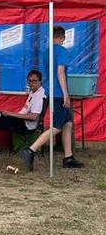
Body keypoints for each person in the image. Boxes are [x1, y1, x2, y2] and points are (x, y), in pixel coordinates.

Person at [20, 27, 84, 170]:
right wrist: (66, 94)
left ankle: (68, 158)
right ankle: (30, 150)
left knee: (68, 124)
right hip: (58, 93)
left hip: (51, 91)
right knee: (56, 127)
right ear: (63, 38)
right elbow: (60, 72)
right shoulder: (62, 51)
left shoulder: (46, 52)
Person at [0, 70, 45, 158]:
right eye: (29, 81)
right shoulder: (33, 92)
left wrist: (12, 114)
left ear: (40, 81)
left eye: (34, 81)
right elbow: (25, 110)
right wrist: (12, 114)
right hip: (21, 121)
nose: (31, 83)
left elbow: (34, 116)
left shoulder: (39, 96)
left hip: (27, 125)